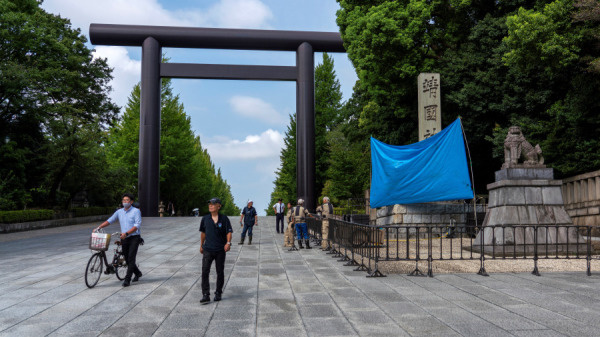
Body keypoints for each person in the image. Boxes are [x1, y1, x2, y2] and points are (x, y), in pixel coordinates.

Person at [94, 193, 143, 287]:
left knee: (131, 258)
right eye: (123, 200)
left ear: (131, 202)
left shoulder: (136, 211)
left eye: (127, 200)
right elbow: (110, 220)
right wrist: (99, 227)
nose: (125, 202)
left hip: (134, 237)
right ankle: (137, 273)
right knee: (127, 259)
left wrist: (127, 233)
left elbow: (137, 225)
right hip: (124, 238)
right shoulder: (119, 212)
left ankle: (127, 280)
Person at [199, 197, 233, 303]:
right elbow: (203, 233)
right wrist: (201, 245)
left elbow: (229, 232)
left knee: (220, 272)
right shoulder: (205, 219)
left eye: (213, 204)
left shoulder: (224, 219)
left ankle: (218, 292)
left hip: (220, 250)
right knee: (205, 271)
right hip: (208, 249)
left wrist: (228, 243)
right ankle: (205, 294)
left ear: (219, 206)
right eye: (209, 204)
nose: (210, 205)